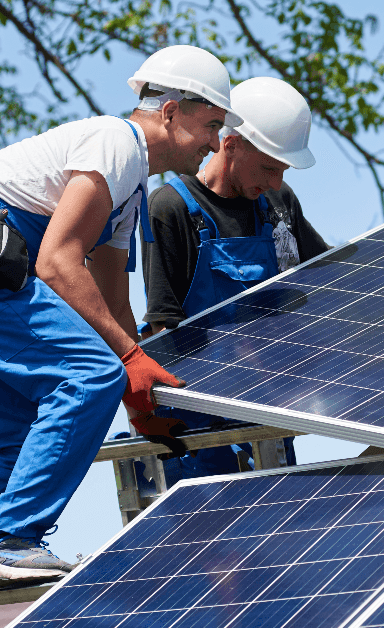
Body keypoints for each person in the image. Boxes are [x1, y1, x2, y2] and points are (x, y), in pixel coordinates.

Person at [0, 45, 239, 594]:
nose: (213, 142)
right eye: (211, 124)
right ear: (170, 111)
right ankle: (6, 540)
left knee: (32, 441)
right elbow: (58, 262)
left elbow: (109, 295)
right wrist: (123, 363)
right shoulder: (116, 144)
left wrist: (134, 389)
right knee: (86, 379)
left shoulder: (127, 191)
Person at [137, 77, 329, 485]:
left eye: (283, 171)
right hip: (203, 428)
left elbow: (331, 280)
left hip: (269, 408)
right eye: (269, 168)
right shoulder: (170, 208)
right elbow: (163, 327)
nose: (276, 182)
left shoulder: (279, 204)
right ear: (231, 143)